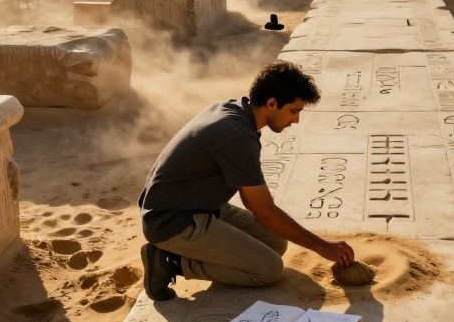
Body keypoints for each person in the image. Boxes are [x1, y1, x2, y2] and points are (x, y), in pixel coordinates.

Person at [139, 61, 355, 300]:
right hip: (171, 222)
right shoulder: (237, 136)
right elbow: (263, 211)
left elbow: (258, 207)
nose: (296, 121)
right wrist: (322, 246)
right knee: (267, 269)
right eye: (294, 111)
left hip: (194, 205)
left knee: (276, 242)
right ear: (272, 103)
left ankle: (190, 252)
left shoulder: (236, 111)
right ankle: (171, 262)